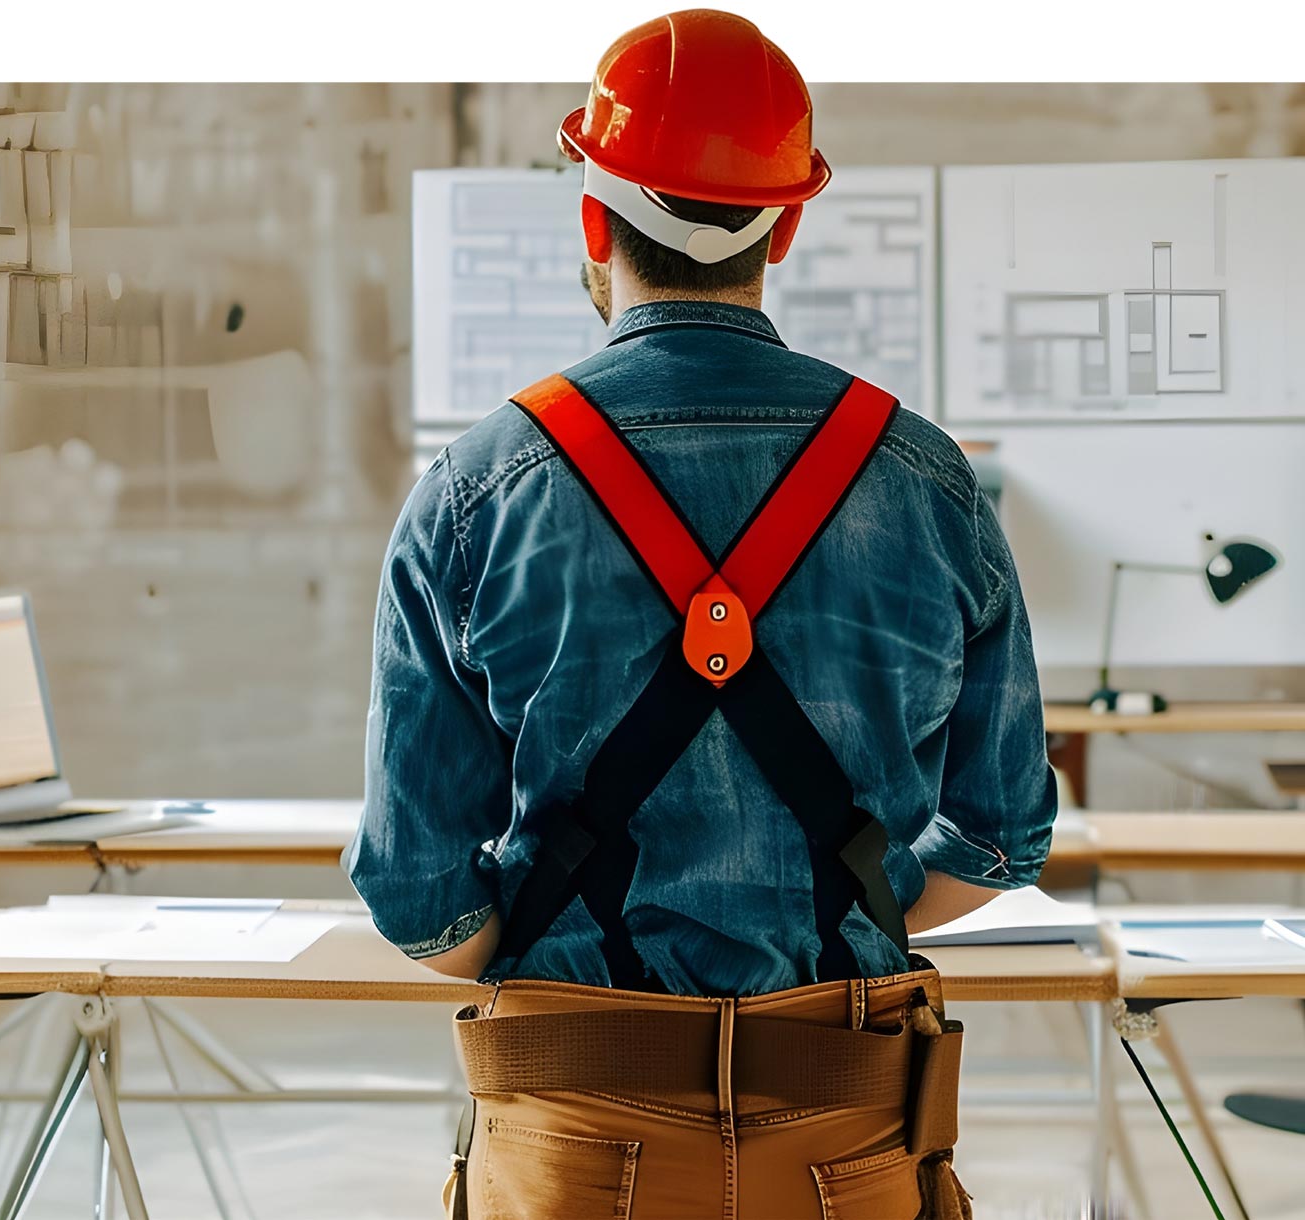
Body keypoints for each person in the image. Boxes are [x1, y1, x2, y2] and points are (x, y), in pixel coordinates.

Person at [344, 10, 1057, 1218]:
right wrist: (857, 904)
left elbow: (418, 897)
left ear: (591, 214)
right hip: (849, 1130)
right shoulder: (927, 479)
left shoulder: (475, 489)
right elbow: (998, 840)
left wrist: (560, 937)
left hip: (573, 1138)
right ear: (784, 222)